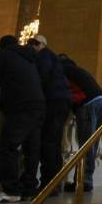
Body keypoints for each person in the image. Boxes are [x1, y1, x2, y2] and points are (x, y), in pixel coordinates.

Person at [0, 35, 47, 202]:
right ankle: (29, 189)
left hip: (21, 105)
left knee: (7, 146)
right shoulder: (29, 58)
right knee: (31, 150)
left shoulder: (5, 55)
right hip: (39, 105)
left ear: (1, 47)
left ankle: (11, 190)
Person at [27, 35, 72, 195]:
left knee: (48, 141)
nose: (33, 46)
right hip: (62, 100)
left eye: (36, 43)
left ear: (43, 45)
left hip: (54, 100)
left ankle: (48, 183)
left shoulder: (45, 55)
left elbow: (42, 76)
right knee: (54, 142)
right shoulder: (53, 58)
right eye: (31, 43)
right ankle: (55, 181)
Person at [57, 54, 102, 192]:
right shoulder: (78, 70)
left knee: (85, 145)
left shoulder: (62, 70)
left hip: (88, 103)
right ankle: (85, 179)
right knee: (92, 144)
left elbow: (63, 92)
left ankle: (83, 181)